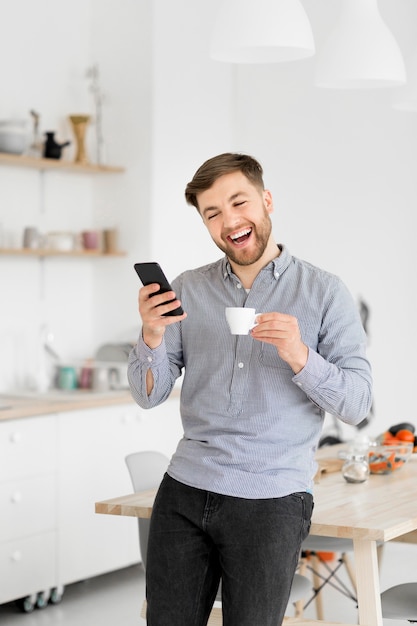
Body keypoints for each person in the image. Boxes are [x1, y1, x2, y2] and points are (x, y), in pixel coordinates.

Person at [128, 152, 373, 626]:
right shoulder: (187, 289)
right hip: (184, 492)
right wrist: (151, 335)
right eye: (212, 213)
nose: (229, 221)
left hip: (272, 500)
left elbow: (357, 404)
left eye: (239, 203)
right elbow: (148, 394)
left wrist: (301, 355)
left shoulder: (324, 292)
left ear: (266, 200)